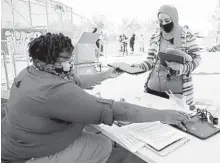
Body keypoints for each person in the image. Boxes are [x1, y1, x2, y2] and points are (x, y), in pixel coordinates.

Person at [1, 33, 191, 163]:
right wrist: (162, 115)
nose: (70, 64)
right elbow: (114, 110)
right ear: (48, 61)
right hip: (27, 156)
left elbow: (75, 80)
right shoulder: (54, 91)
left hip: (16, 143)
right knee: (102, 144)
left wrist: (106, 75)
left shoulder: (31, 72)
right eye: (65, 60)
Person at [132, 5, 201, 105]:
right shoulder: (155, 36)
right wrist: (138, 67)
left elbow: (197, 58)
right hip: (153, 90)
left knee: (175, 119)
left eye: (167, 20)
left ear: (174, 18)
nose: (163, 23)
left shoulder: (186, 35)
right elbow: (151, 60)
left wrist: (182, 67)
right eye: (160, 21)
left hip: (177, 94)